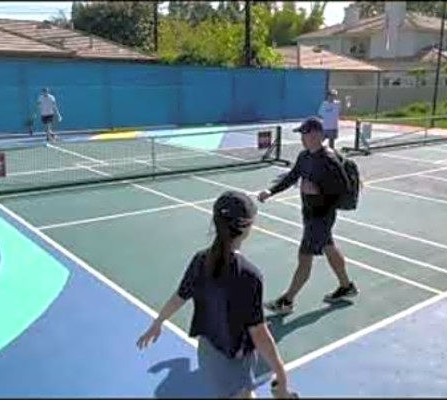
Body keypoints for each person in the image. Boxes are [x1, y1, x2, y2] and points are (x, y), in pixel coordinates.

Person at [136, 191, 292, 399]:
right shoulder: (249, 275)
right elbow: (259, 333)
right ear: (246, 227)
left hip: (208, 353)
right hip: (234, 358)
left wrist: (158, 322)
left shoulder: (200, 260)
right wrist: (280, 373)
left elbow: (180, 296)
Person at [258, 117, 358, 315]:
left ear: (319, 135)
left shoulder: (329, 160)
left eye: (307, 133)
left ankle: (287, 300)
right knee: (328, 247)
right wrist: (271, 191)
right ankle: (346, 286)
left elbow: (342, 190)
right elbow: (293, 176)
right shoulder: (305, 156)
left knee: (304, 258)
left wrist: (317, 191)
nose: (303, 138)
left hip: (321, 217)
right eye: (302, 134)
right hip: (310, 213)